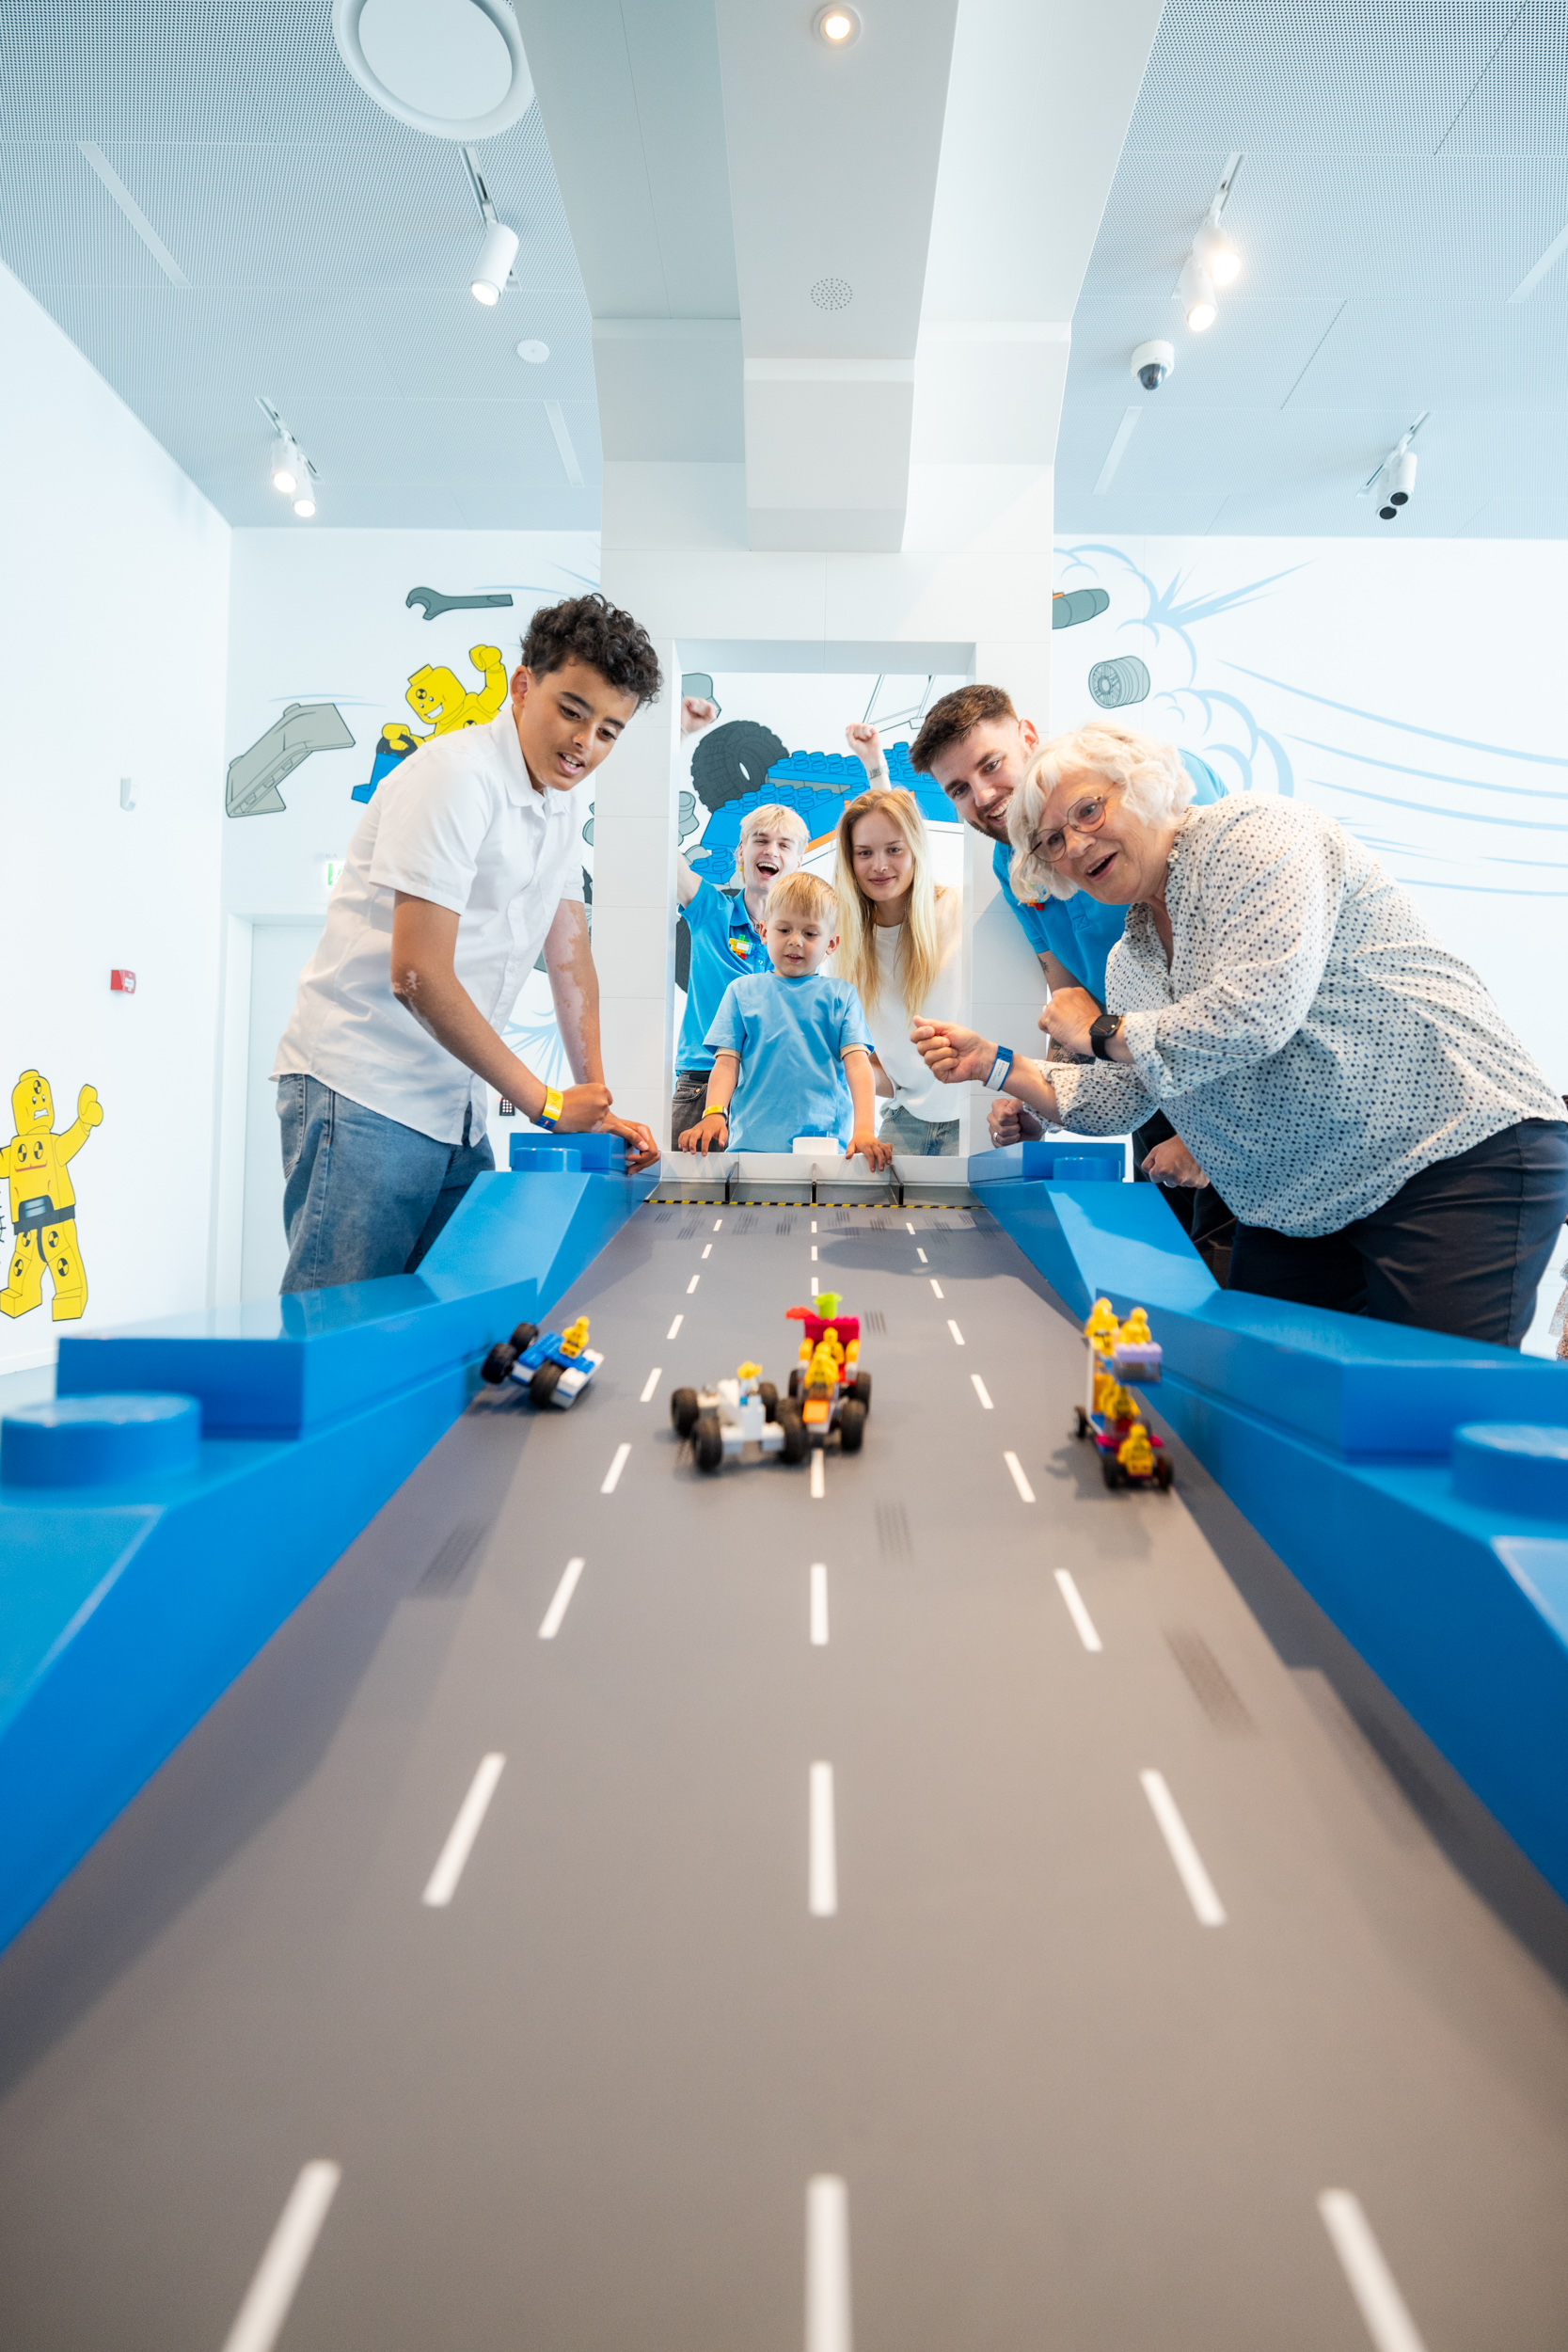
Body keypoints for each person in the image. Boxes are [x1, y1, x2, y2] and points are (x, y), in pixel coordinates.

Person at [911, 725, 1568, 1346]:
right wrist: (994, 1063)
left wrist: (1101, 1030)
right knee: (1264, 1391)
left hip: (1445, 1154)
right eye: (1053, 841)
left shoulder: (1252, 833)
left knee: (1426, 1410)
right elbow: (1124, 1099)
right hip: (1300, 1196)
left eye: (1088, 811)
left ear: (1143, 789)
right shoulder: (1129, 957)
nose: (1076, 846)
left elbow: (1253, 1014)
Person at [273, 593, 660, 1293]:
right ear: (522, 686)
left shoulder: (561, 801)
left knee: (451, 1317)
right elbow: (417, 974)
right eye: (572, 711)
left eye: (609, 730)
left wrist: (592, 1106)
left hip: (453, 1104)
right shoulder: (453, 777)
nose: (585, 743)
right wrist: (548, 1106)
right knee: (338, 1329)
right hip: (363, 1089)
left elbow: (570, 957)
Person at [848, 692, 1230, 1236]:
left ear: (1028, 737)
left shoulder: (1167, 783)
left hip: (1232, 1087)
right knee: (1176, 1265)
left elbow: (1248, 997)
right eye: (959, 789)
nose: (983, 796)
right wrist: (1039, 1101)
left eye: (991, 764)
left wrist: (1202, 1136)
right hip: (1143, 1085)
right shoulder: (1012, 864)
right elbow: (1072, 1005)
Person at [678, 871, 891, 1167]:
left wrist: (864, 1130)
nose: (795, 941)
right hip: (750, 1151)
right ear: (764, 932)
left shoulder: (841, 997)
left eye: (810, 933)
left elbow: (858, 1066)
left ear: (831, 944)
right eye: (784, 929)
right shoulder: (741, 992)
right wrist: (714, 1113)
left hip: (827, 1150)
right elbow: (726, 1063)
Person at [832, 786, 963, 1154]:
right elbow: (884, 1073)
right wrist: (829, 1066)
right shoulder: (845, 946)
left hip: (977, 1115)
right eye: (865, 853)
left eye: (894, 850)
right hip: (903, 1120)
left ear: (915, 849)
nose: (879, 866)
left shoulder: (960, 909)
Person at [672, 791, 807, 1146]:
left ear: (798, 863)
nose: (770, 851)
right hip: (701, 1083)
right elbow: (663, 854)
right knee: (681, 1184)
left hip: (769, 1089)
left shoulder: (806, 942)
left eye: (784, 844)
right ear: (740, 853)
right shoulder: (710, 910)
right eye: (760, 840)